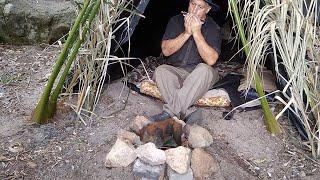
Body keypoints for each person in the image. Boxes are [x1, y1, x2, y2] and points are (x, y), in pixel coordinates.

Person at [149, 0, 221, 123]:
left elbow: (211, 60)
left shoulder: (213, 27)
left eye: (200, 7)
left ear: (207, 10)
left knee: (205, 70)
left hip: (198, 74)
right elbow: (166, 51)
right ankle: (185, 111)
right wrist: (187, 33)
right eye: (192, 4)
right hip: (176, 70)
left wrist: (197, 32)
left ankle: (170, 112)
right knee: (161, 71)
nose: (194, 10)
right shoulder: (175, 21)